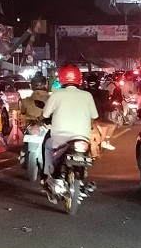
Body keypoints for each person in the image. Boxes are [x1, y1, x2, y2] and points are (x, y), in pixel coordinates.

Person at [40, 65, 98, 195]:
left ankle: (46, 175)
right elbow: (94, 117)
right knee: (86, 154)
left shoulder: (57, 95)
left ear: (61, 78)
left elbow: (45, 114)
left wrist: (41, 120)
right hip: (82, 138)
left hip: (60, 138)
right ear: (79, 79)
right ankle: (81, 180)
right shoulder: (87, 95)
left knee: (47, 145)